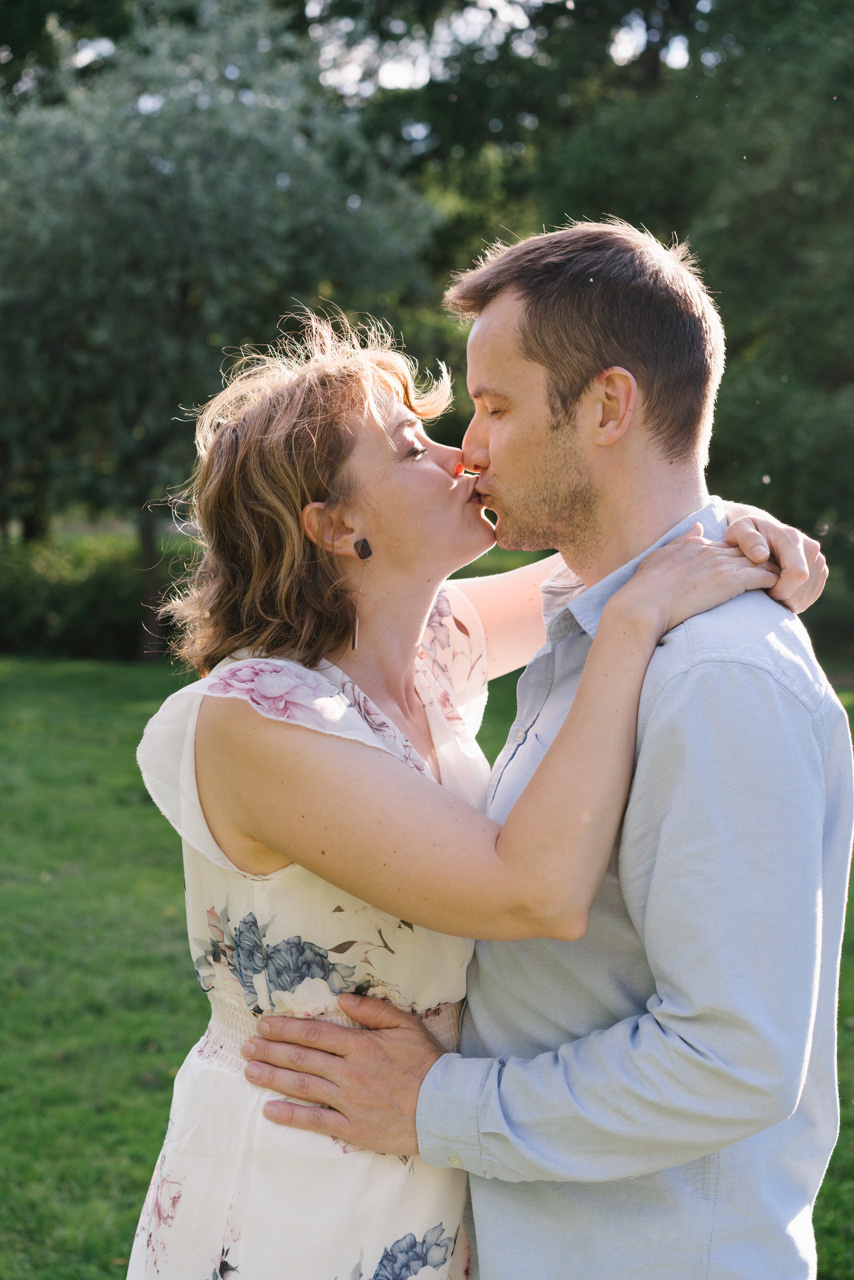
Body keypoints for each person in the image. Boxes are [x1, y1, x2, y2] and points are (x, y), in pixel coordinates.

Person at [128, 310, 816, 1280]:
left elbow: (618, 547)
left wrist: (731, 527)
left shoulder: (434, 645)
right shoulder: (256, 718)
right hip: (298, 1174)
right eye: (412, 446)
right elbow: (527, 889)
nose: (462, 456)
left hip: (434, 1161)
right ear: (336, 525)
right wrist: (630, 626)